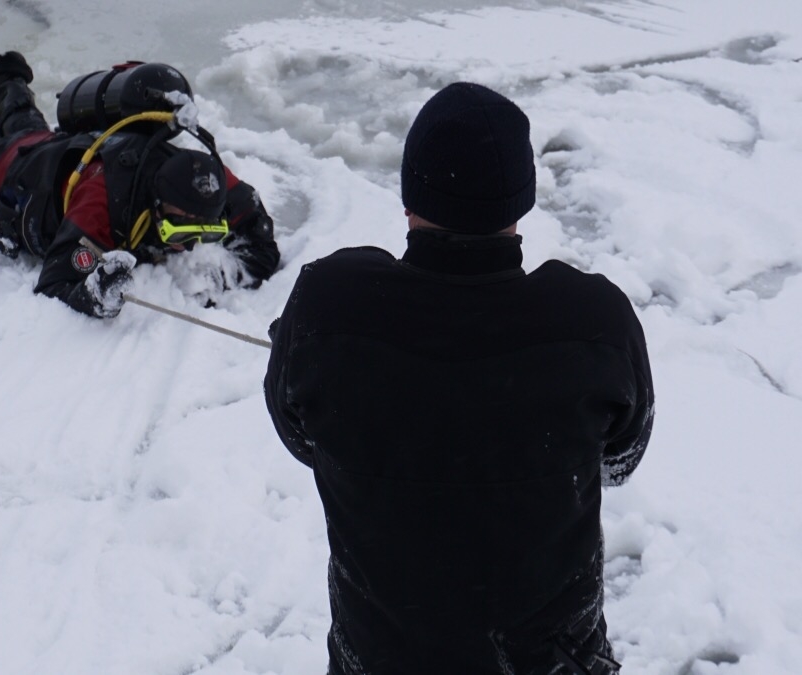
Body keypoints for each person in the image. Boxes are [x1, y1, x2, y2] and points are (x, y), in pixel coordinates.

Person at [263, 82, 654, 674]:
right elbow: (622, 456)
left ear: (409, 194)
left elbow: (299, 437)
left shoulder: (329, 306)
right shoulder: (592, 320)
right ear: (521, 202)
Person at [0, 52, 280, 318]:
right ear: (158, 207)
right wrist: (95, 293)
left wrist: (225, 274)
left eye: (203, 235)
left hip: (59, 149)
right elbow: (55, 277)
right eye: (177, 234)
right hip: (5, 179)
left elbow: (260, 239)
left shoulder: (206, 176)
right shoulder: (105, 203)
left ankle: (7, 80)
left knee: (24, 128)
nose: (189, 246)